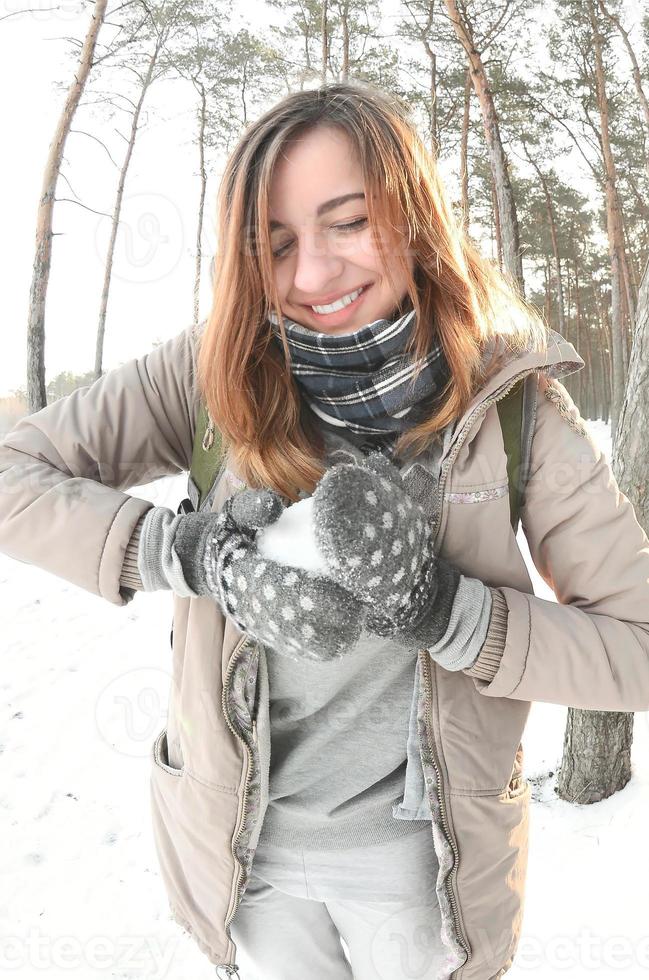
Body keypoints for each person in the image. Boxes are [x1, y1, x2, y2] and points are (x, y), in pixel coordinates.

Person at [1, 80, 648, 980]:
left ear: (413, 216)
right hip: (244, 864)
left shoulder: (515, 410)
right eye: (275, 245)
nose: (312, 276)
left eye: (347, 223)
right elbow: (11, 475)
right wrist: (198, 558)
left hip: (425, 879)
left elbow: (638, 648)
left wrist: (445, 612)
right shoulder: (209, 370)